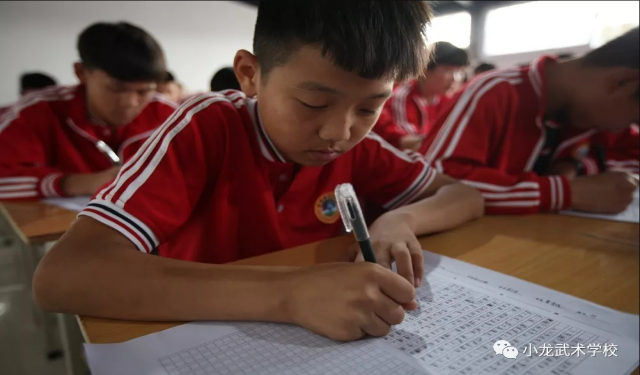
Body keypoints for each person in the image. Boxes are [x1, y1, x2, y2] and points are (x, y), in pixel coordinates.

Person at [33, 1, 483, 342]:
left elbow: (464, 196)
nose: (339, 131)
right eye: (313, 103)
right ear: (249, 74)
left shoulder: (358, 148)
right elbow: (63, 275)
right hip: (192, 335)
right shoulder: (207, 127)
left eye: (370, 106)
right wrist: (288, 295)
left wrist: (400, 219)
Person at [421, 27, 639, 215]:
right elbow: (433, 180)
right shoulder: (496, 91)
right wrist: (561, 192)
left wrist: (577, 165)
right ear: (621, 83)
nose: (622, 127)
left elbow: (626, 155)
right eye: (633, 118)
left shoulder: (589, 118)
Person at [0, 22, 177, 200]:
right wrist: (75, 183)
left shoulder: (169, 117)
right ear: (81, 72)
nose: (130, 103)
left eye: (143, 91)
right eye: (116, 89)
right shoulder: (37, 111)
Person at [374, 41, 469, 151]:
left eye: (459, 72)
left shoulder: (446, 100)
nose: (455, 79)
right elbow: (408, 143)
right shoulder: (402, 97)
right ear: (424, 69)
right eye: (448, 70)